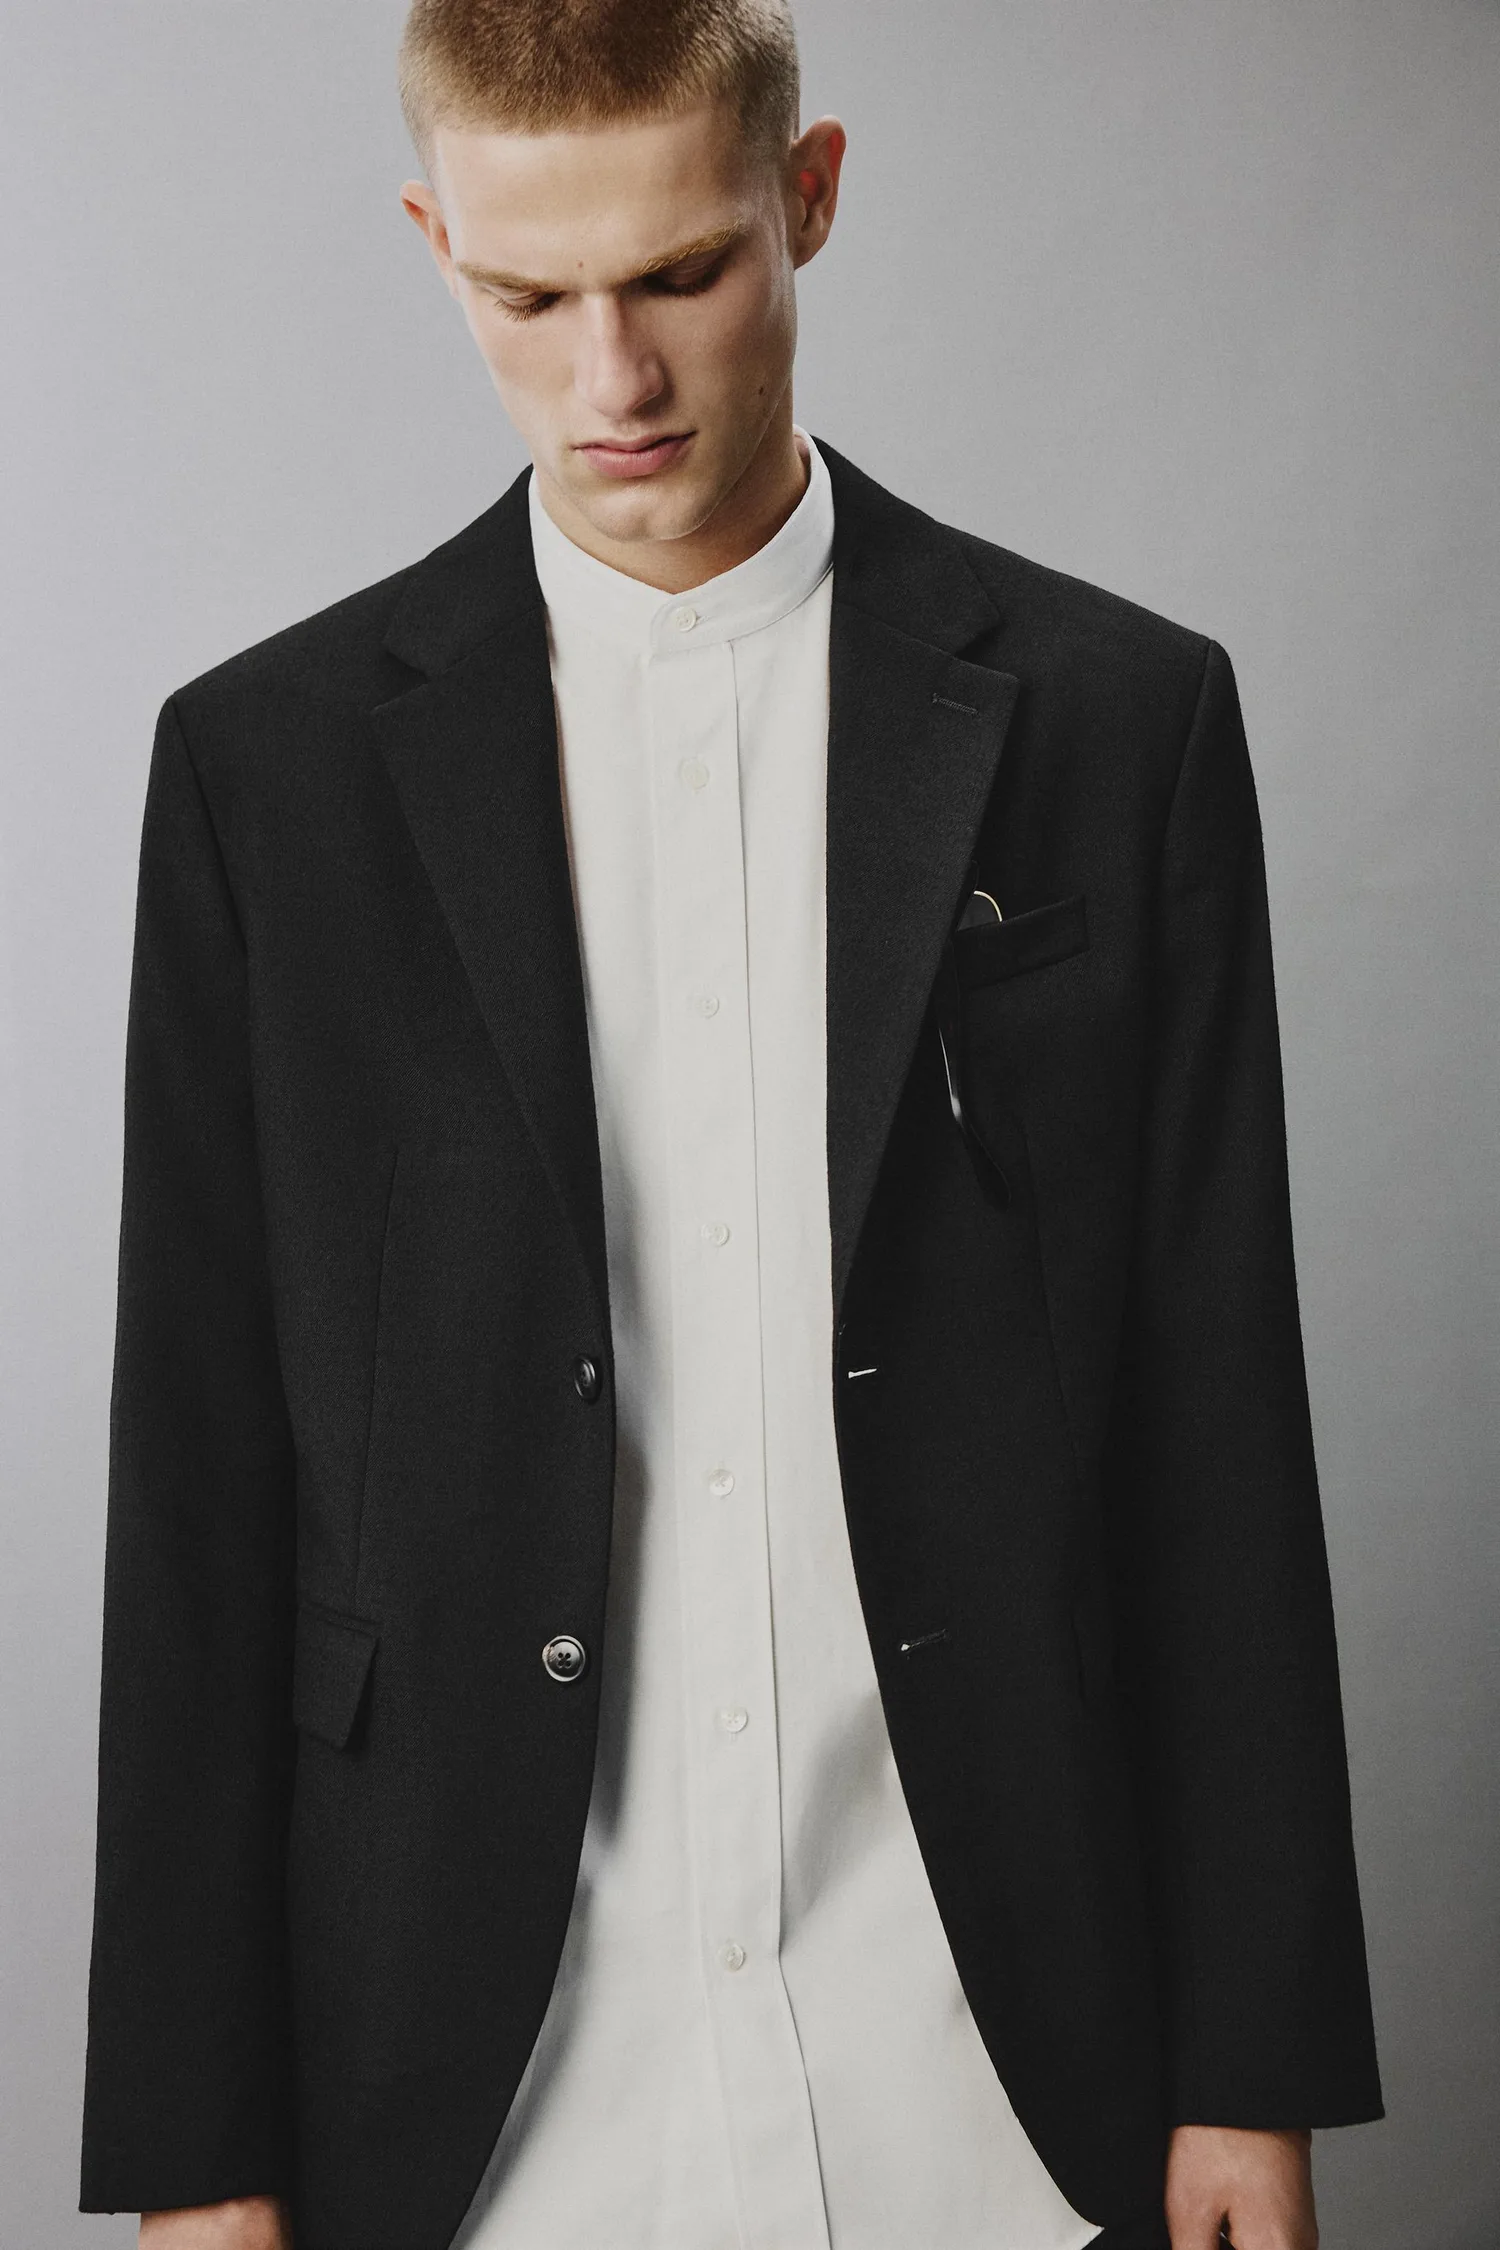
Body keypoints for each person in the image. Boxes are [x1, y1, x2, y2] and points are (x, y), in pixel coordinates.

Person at [78, 3, 1384, 2246]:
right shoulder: (261, 779)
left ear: (810, 195)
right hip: (467, 2089)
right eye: (527, 296)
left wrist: (1252, 2072)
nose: (614, 379)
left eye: (681, 273)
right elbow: (197, 1482)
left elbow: (1217, 1419)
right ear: (435, 244)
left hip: (1000, 2066)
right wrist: (199, 2162)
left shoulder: (1120, 723)